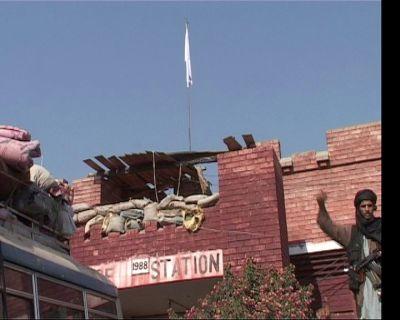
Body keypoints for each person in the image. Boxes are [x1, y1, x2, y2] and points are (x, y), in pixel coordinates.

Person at [316, 189, 381, 319]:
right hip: (365, 289)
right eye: (363, 206)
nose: (367, 209)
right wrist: (321, 205)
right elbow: (328, 226)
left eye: (369, 206)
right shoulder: (352, 233)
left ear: (374, 207)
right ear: (358, 209)